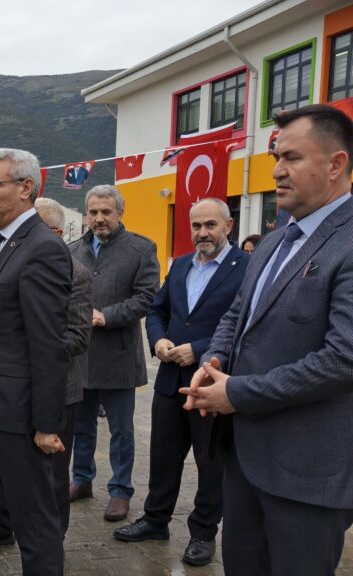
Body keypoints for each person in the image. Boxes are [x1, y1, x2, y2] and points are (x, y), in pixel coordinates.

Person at [182, 104, 353, 576]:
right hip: (245, 459)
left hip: (308, 473)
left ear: (336, 165)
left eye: (292, 158)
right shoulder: (276, 240)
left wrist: (235, 393)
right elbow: (239, 313)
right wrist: (214, 359)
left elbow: (343, 359)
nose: (276, 170)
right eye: (277, 156)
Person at [113, 198, 249, 566]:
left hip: (212, 382)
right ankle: (156, 519)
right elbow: (158, 310)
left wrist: (200, 349)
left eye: (210, 225)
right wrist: (157, 340)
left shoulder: (247, 268)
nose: (202, 233)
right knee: (163, 456)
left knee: (210, 462)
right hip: (171, 379)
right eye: (196, 226)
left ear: (228, 226)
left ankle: (203, 534)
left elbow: (243, 326)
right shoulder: (182, 265)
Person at [0, 149, 71, 576]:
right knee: (24, 511)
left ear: (26, 188)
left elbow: (48, 344)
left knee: (35, 520)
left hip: (24, 412)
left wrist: (46, 424)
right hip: (4, 405)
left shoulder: (42, 248)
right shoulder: (10, 242)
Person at [0, 197, 92, 556]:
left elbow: (77, 337)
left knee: (49, 476)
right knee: (3, 464)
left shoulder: (75, 274)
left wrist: (30, 347)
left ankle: (51, 537)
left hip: (55, 391)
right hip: (14, 392)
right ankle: (2, 523)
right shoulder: (13, 258)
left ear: (51, 233)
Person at [68, 184, 159, 522]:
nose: (99, 218)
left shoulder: (141, 249)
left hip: (119, 355)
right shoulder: (73, 250)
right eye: (93, 212)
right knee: (81, 427)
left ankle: (120, 491)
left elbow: (147, 296)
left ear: (120, 212)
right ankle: (81, 480)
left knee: (121, 430)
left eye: (106, 212)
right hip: (80, 356)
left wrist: (107, 316)